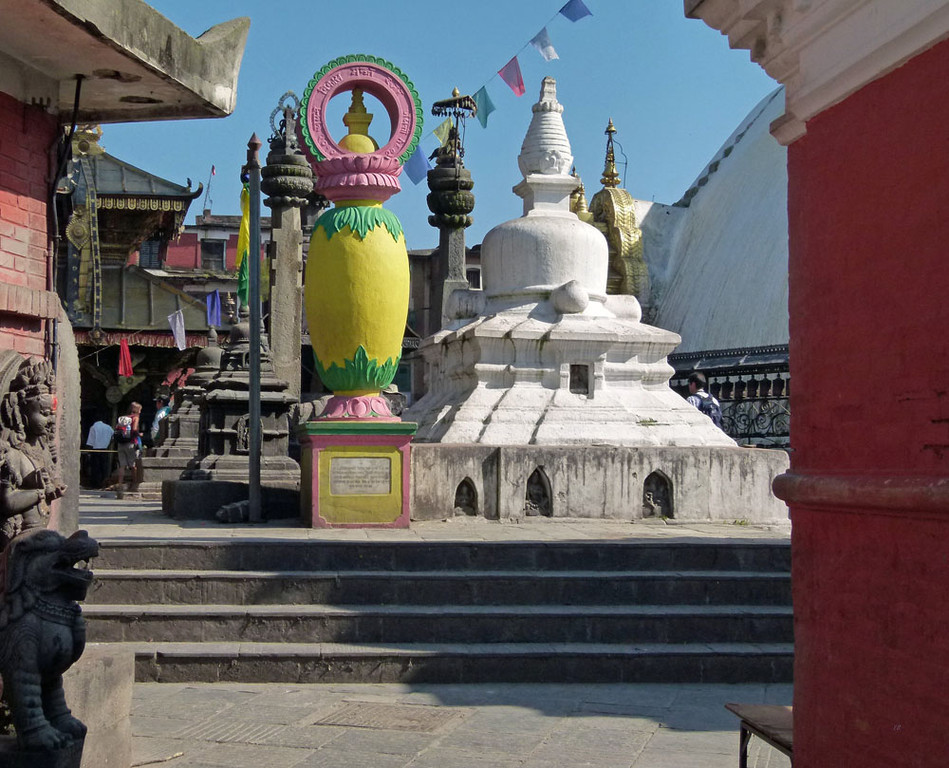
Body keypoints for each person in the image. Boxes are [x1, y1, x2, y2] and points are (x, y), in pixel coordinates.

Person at [114, 402, 142, 489]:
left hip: (121, 443)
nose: (140, 412)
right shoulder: (135, 418)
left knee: (122, 465)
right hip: (131, 443)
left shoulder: (123, 418)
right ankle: (134, 484)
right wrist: (139, 434)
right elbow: (134, 429)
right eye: (140, 410)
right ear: (137, 410)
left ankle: (120, 484)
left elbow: (116, 428)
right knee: (133, 464)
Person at [85, 418, 113, 488]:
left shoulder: (93, 427)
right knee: (104, 467)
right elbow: (113, 437)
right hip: (105, 449)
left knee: (95, 468)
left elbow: (90, 441)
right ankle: (104, 483)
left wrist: (88, 451)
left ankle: (96, 484)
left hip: (95, 450)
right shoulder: (108, 427)